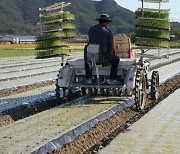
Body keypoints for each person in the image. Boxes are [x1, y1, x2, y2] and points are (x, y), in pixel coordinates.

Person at [84, 14, 120, 85]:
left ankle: (89, 78)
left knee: (87, 60)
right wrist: (111, 54)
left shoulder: (91, 29)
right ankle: (112, 79)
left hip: (90, 55)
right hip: (102, 57)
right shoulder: (107, 32)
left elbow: (89, 41)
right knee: (116, 60)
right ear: (106, 22)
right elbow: (110, 47)